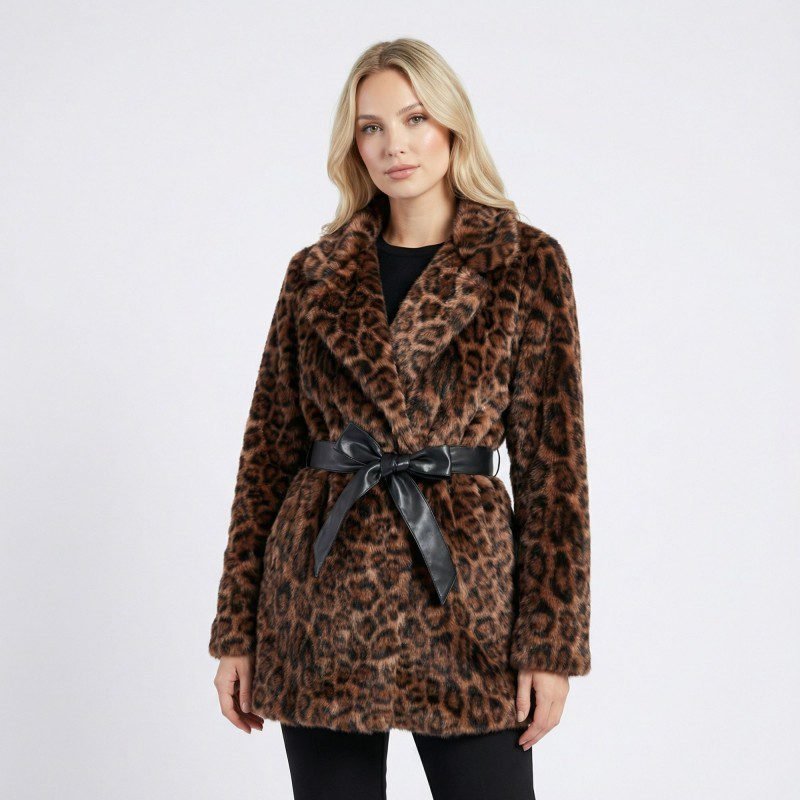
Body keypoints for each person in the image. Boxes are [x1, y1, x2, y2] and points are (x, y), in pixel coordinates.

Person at [208, 38, 591, 800]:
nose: (395, 145)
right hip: (320, 602)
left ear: (452, 125)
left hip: (468, 604)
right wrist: (237, 633)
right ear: (353, 144)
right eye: (372, 127)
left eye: (415, 119)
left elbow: (555, 472)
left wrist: (550, 645)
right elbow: (265, 459)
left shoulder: (524, 262)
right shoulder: (314, 274)